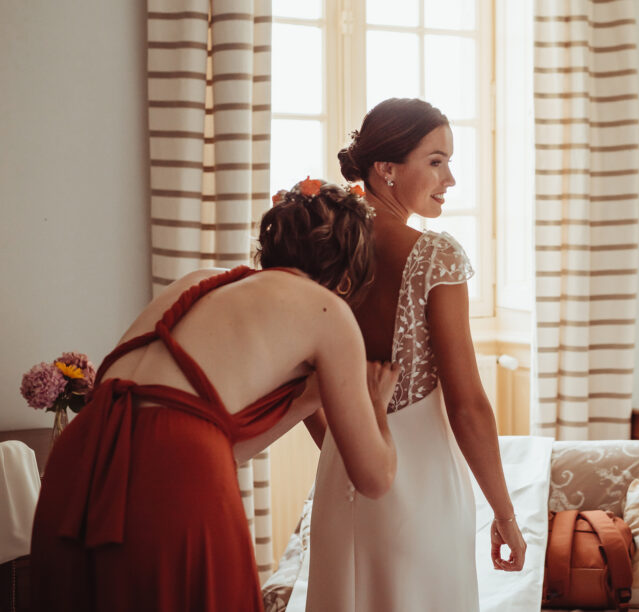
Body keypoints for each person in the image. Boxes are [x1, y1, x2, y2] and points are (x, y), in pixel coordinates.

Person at [30, 179, 399, 612]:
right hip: (175, 467)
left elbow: (210, 444)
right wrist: (376, 404)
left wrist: (305, 400)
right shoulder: (327, 309)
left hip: (82, 456)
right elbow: (375, 478)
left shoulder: (201, 280)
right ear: (348, 276)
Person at [303, 98, 526, 612]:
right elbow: (468, 406)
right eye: (436, 161)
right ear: (387, 168)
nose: (450, 179)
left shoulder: (318, 250)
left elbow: (300, 381)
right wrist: (505, 514)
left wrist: (345, 450)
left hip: (342, 476)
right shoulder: (434, 257)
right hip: (422, 492)